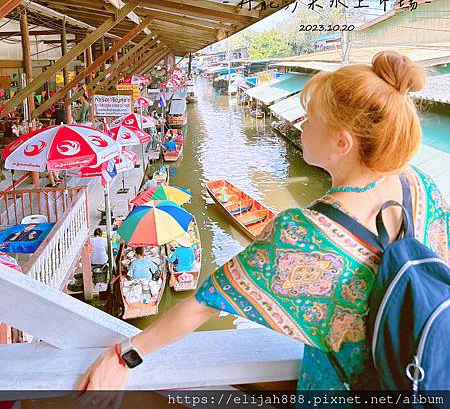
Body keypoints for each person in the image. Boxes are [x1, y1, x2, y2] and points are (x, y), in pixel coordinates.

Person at [77, 50, 449, 394]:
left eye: (311, 118)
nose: (301, 125)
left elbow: (205, 302)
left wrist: (125, 354)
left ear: (343, 142)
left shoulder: (306, 231)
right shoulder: (424, 188)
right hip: (428, 372)